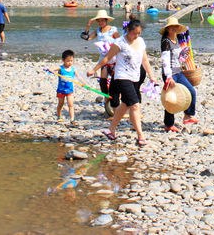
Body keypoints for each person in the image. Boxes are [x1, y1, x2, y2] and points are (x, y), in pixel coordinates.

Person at [88, 19, 158, 147]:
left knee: (125, 104)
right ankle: (140, 136)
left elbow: (145, 60)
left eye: (139, 33)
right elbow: (107, 58)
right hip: (121, 77)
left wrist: (152, 76)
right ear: (128, 31)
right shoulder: (119, 42)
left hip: (135, 77)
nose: (136, 36)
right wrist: (94, 69)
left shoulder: (141, 42)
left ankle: (111, 130)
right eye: (134, 33)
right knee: (135, 105)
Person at [159, 17, 198, 132]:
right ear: (168, 29)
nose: (175, 29)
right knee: (171, 99)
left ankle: (188, 115)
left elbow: (177, 58)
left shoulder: (176, 40)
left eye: (176, 27)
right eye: (173, 27)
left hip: (179, 71)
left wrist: (185, 60)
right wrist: (168, 77)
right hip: (170, 73)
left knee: (191, 91)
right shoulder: (165, 41)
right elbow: (165, 60)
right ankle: (169, 124)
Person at [84, 10, 121, 96]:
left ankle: (117, 98)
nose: (100, 22)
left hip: (114, 58)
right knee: (103, 82)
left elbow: (120, 41)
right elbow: (86, 37)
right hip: (103, 58)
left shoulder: (113, 29)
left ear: (106, 20)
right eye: (99, 21)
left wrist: (112, 44)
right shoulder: (98, 31)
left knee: (115, 81)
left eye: (102, 20)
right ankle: (106, 99)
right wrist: (88, 25)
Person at [55, 49, 88, 125]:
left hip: (70, 90)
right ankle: (59, 117)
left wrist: (84, 83)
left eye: (71, 61)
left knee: (71, 104)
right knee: (61, 104)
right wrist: (49, 70)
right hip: (61, 90)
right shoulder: (61, 68)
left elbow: (78, 77)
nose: (70, 63)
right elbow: (51, 69)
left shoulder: (73, 69)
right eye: (68, 61)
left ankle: (72, 119)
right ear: (63, 60)